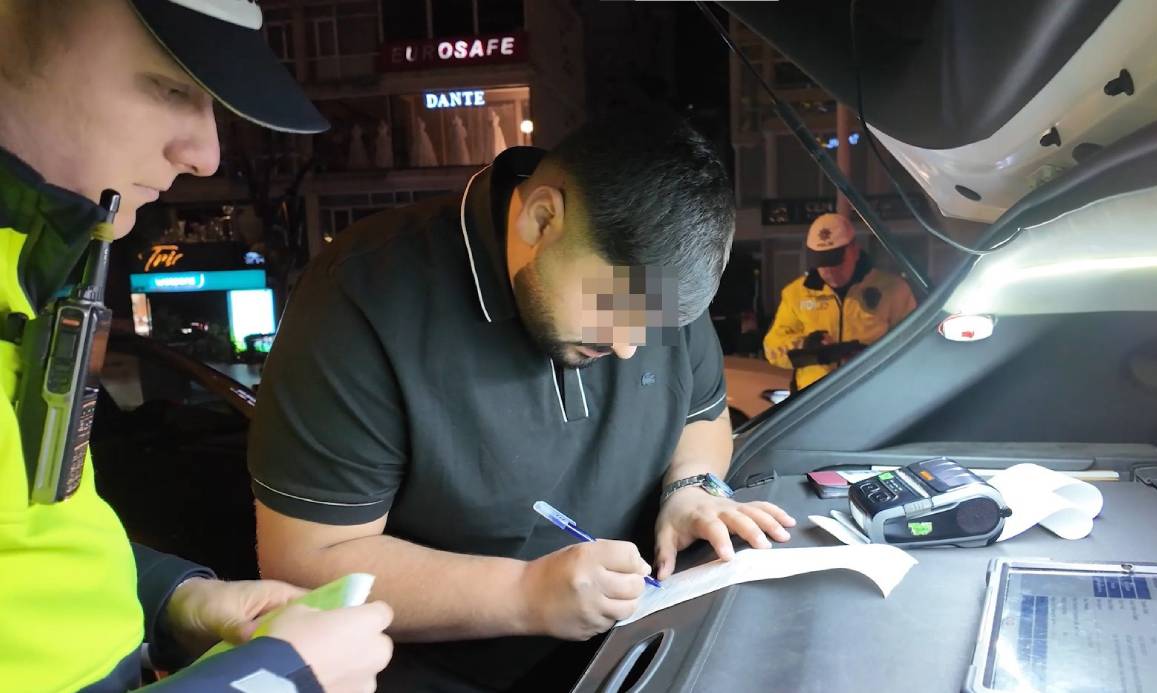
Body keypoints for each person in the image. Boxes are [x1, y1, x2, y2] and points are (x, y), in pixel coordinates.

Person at [248, 113, 798, 691]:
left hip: (634, 653)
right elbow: (307, 558)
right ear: (541, 218)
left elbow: (703, 417)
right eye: (613, 306)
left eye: (654, 324)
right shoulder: (362, 299)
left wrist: (689, 489)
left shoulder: (652, 285)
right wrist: (523, 594)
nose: (627, 346)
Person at [0, 1, 393, 690]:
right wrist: (276, 678)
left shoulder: (26, 268)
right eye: (170, 86)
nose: (207, 154)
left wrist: (174, 600)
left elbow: (34, 551)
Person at [764, 213, 916, 390]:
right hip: (816, 399)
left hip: (873, 394)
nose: (829, 270)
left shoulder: (893, 289)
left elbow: (915, 345)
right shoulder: (795, 294)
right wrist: (807, 346)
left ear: (855, 251)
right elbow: (772, 349)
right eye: (821, 262)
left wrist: (869, 356)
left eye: (836, 261)